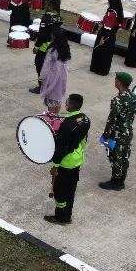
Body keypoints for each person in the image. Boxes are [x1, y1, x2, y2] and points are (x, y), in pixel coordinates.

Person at [46, 93, 89, 225]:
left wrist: (55, 165)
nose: (65, 104)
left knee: (59, 191)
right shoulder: (85, 118)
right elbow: (83, 139)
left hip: (66, 163)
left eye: (67, 102)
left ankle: (61, 218)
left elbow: (61, 148)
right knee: (71, 189)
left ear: (70, 105)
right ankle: (67, 214)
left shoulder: (66, 124)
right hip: (77, 159)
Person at [99, 72, 136, 190]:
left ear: (120, 82)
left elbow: (112, 119)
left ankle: (116, 182)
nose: (114, 81)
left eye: (116, 79)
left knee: (115, 157)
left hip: (117, 133)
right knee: (124, 156)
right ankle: (121, 179)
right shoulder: (134, 97)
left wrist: (106, 134)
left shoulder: (117, 100)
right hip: (127, 131)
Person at [30, 0, 63, 93]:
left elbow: (42, 35)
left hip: (44, 47)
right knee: (50, 66)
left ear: (51, 6)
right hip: (55, 45)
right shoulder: (58, 17)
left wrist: (36, 46)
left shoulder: (46, 18)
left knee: (39, 65)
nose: (45, 6)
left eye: (47, 4)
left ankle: (41, 87)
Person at [39, 29, 71, 114]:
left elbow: (46, 65)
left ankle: (51, 120)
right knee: (58, 98)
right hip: (63, 76)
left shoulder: (52, 50)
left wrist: (42, 77)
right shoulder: (66, 49)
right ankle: (56, 118)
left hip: (52, 77)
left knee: (51, 99)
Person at [90, 0, 124, 76]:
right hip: (111, 35)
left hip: (105, 34)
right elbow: (116, 26)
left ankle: (98, 69)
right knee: (107, 54)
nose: (108, 3)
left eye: (109, 1)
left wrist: (102, 38)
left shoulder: (111, 13)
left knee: (100, 52)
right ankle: (104, 69)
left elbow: (107, 27)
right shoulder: (118, 12)